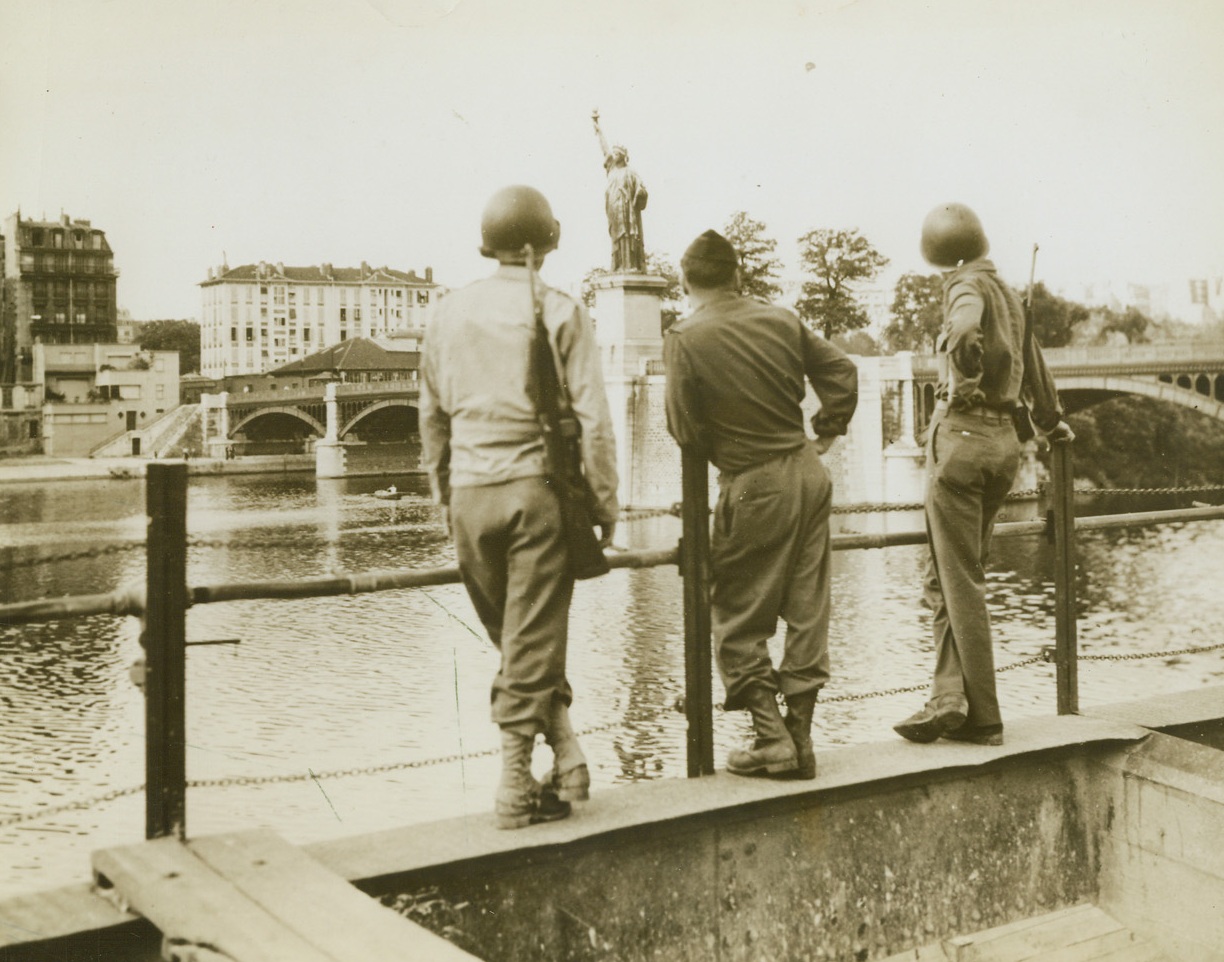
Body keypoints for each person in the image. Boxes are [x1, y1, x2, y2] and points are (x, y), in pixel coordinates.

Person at [419, 185, 619, 828]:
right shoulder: (559, 308)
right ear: (544, 242)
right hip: (537, 494)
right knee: (530, 638)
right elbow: (594, 419)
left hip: (468, 497)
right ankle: (513, 786)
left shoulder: (447, 311)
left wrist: (443, 495)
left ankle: (568, 759)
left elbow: (431, 415)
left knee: (518, 638)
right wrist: (606, 501)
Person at [664, 229, 858, 779]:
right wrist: (825, 430)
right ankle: (801, 737)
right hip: (809, 473)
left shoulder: (684, 336)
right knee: (807, 608)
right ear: (737, 276)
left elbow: (683, 429)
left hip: (752, 482)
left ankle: (772, 740)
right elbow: (842, 371)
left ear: (684, 282)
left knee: (735, 614)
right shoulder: (781, 318)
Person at [893, 203, 1074, 748]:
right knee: (946, 575)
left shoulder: (966, 285)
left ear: (940, 255)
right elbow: (1033, 363)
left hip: (962, 444)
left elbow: (965, 329)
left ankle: (982, 717)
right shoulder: (1009, 296)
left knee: (959, 580)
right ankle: (949, 697)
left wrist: (964, 386)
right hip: (1002, 447)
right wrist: (1052, 422)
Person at [592, 110, 648, 272]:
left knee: (628, 235)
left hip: (627, 209)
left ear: (623, 156)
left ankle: (629, 265)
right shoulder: (611, 169)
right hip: (613, 208)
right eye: (614, 153)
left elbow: (642, 189)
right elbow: (604, 149)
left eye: (617, 153)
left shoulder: (631, 172)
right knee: (616, 236)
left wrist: (639, 193)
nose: (614, 155)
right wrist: (598, 128)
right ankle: (618, 265)